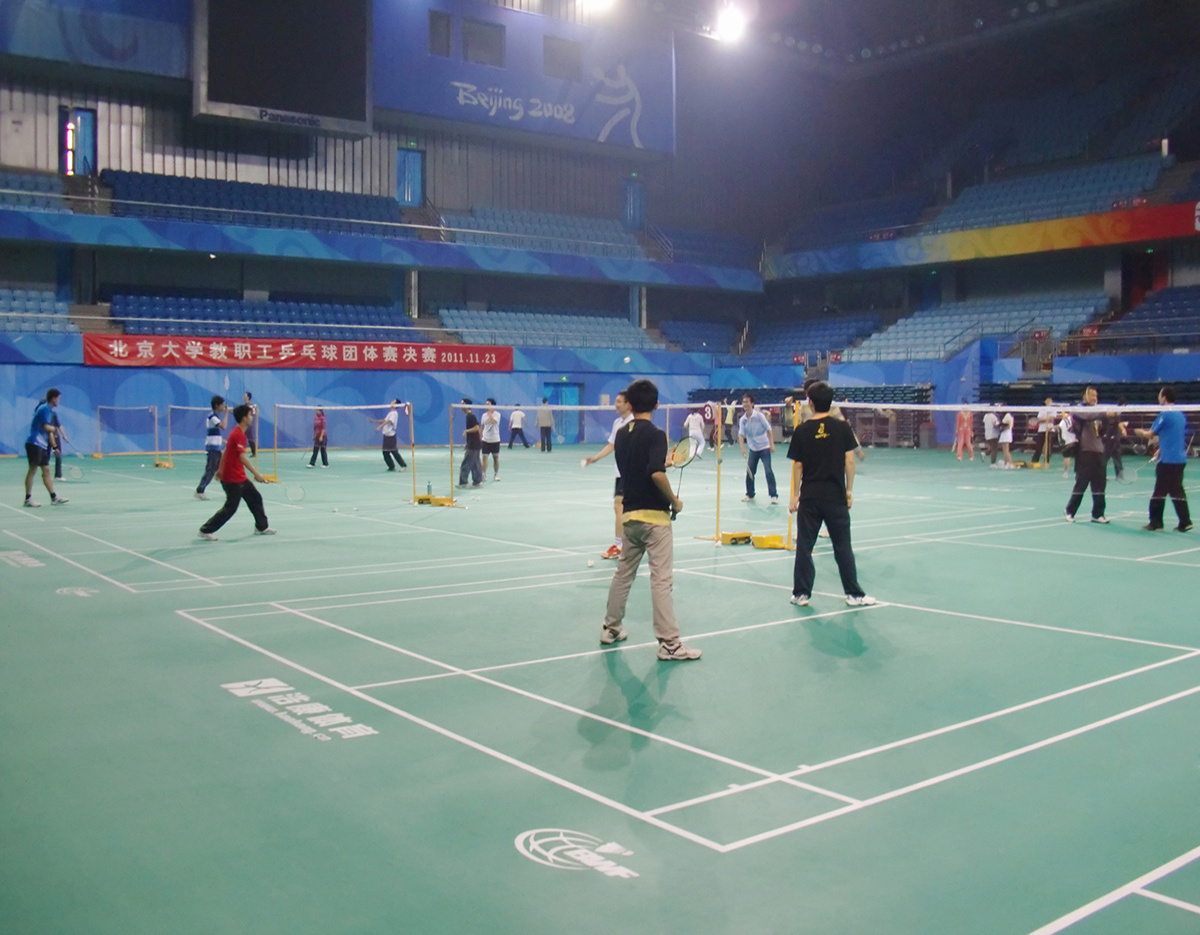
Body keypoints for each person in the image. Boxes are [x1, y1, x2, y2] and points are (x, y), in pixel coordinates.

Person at [600, 379, 701, 662]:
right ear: (657, 405)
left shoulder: (621, 434)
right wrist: (674, 501)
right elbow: (655, 473)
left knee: (623, 574)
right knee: (661, 580)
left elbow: (633, 467)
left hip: (630, 516)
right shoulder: (657, 434)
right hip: (655, 520)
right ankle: (670, 644)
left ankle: (611, 628)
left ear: (630, 405)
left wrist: (661, 462)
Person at [787, 380, 874, 607]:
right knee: (843, 546)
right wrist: (849, 491)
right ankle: (854, 594)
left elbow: (797, 466)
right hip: (835, 496)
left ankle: (801, 594)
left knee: (805, 546)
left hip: (810, 497)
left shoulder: (802, 430)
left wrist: (794, 495)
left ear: (811, 403)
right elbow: (850, 461)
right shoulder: (842, 428)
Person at [198, 404, 273, 539]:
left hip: (239, 477)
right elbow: (242, 457)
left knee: (255, 498)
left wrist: (219, 470)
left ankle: (261, 527)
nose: (251, 417)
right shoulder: (238, 434)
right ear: (244, 418)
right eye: (250, 415)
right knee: (231, 508)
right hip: (232, 479)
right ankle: (205, 530)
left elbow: (225, 452)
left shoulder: (238, 433)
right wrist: (257, 475)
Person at [582, 391, 634, 560]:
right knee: (624, 508)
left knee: (619, 506)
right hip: (620, 472)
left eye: (619, 401)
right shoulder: (617, 423)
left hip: (632, 472)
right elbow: (611, 445)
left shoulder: (635, 423)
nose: (615, 404)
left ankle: (619, 545)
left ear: (628, 404)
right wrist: (595, 458)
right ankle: (629, 543)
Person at [1135, 385, 1192, 532]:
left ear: (1164, 397)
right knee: (1177, 491)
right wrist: (1161, 449)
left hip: (1169, 462)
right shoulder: (1180, 414)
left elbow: (1150, 434)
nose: (1158, 397)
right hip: (1180, 459)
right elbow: (1172, 435)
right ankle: (1185, 522)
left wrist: (1139, 432)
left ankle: (1155, 522)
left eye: (1160, 394)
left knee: (1159, 492)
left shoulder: (1165, 414)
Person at [1064, 385, 1110, 524]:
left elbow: (1104, 427)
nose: (1094, 398)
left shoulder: (1098, 412)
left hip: (1099, 451)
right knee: (1081, 484)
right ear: (1085, 396)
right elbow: (1088, 415)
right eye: (1092, 395)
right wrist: (1103, 412)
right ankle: (1070, 511)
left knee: (1100, 485)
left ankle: (1098, 514)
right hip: (1084, 452)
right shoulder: (1079, 409)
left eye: (1096, 396)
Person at [24, 388, 68, 507]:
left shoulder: (50, 411)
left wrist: (54, 447)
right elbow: (47, 428)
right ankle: (28, 499)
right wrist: (55, 429)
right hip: (34, 443)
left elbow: (49, 433)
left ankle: (54, 497)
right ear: (53, 398)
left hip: (42, 445)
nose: (59, 401)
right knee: (32, 470)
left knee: (47, 471)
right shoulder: (44, 409)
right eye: (58, 398)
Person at [738, 393, 778, 503]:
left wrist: (772, 444)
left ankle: (774, 495)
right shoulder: (743, 420)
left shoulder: (759, 416)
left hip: (764, 447)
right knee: (750, 472)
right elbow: (741, 435)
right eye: (743, 402)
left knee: (768, 471)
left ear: (752, 403)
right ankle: (750, 495)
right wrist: (742, 447)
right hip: (753, 449)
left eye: (747, 402)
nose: (745, 404)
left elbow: (768, 429)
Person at [195, 395, 227, 499]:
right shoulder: (212, 417)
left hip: (217, 447)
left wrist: (223, 441)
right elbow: (223, 426)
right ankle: (200, 490)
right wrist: (227, 414)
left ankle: (228, 489)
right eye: (222, 405)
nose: (223, 406)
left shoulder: (215, 417)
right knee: (210, 470)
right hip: (213, 448)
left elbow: (214, 433)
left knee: (221, 469)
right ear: (217, 405)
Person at [371, 399, 407, 471]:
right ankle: (391, 466)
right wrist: (375, 421)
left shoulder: (394, 413)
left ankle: (403, 465)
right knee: (385, 452)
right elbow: (384, 420)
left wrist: (380, 427)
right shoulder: (390, 413)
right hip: (386, 435)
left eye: (393, 401)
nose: (391, 402)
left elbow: (389, 421)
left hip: (391, 436)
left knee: (394, 451)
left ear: (396, 404)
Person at [458, 398, 483, 487]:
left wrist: (466, 431)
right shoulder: (468, 416)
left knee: (466, 463)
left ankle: (463, 482)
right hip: (474, 444)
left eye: (462, 404)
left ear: (467, 405)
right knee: (475, 464)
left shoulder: (470, 416)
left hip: (474, 444)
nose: (460, 406)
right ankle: (477, 481)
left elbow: (477, 428)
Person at [1106, 398, 1129, 482]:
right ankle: (1101, 476)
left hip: (1116, 438)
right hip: (1109, 438)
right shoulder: (1113, 412)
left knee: (1117, 456)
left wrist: (1122, 427)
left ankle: (1119, 475)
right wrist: (1123, 429)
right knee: (1105, 458)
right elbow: (1116, 421)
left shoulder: (1121, 413)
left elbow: (1122, 423)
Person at [480, 399, 502, 481]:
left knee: (495, 458)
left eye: (488, 404)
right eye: (486, 404)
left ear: (492, 405)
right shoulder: (483, 415)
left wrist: (489, 413)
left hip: (495, 439)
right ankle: (483, 475)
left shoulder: (497, 415)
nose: (486, 405)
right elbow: (482, 426)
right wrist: (479, 437)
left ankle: (496, 475)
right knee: (484, 458)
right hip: (485, 439)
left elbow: (493, 421)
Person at [1031, 398, 1056, 466]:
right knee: (1039, 446)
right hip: (1041, 429)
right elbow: (1039, 419)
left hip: (1049, 429)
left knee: (1048, 447)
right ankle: (1035, 461)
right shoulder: (1042, 409)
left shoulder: (1053, 409)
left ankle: (1046, 462)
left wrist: (1045, 419)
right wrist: (1046, 419)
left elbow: (1052, 419)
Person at [1058, 410, 1077, 478]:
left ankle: (1065, 472)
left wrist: (1060, 440)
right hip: (1074, 438)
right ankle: (1077, 472)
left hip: (1066, 440)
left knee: (1067, 457)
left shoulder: (1063, 421)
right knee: (1078, 457)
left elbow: (1059, 429)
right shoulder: (1074, 419)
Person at [242, 391, 258, 458]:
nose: (243, 397)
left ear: (248, 397)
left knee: (250, 438)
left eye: (245, 395)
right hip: (243, 424)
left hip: (249, 424)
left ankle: (254, 453)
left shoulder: (251, 405)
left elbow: (254, 414)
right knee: (241, 437)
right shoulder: (244, 406)